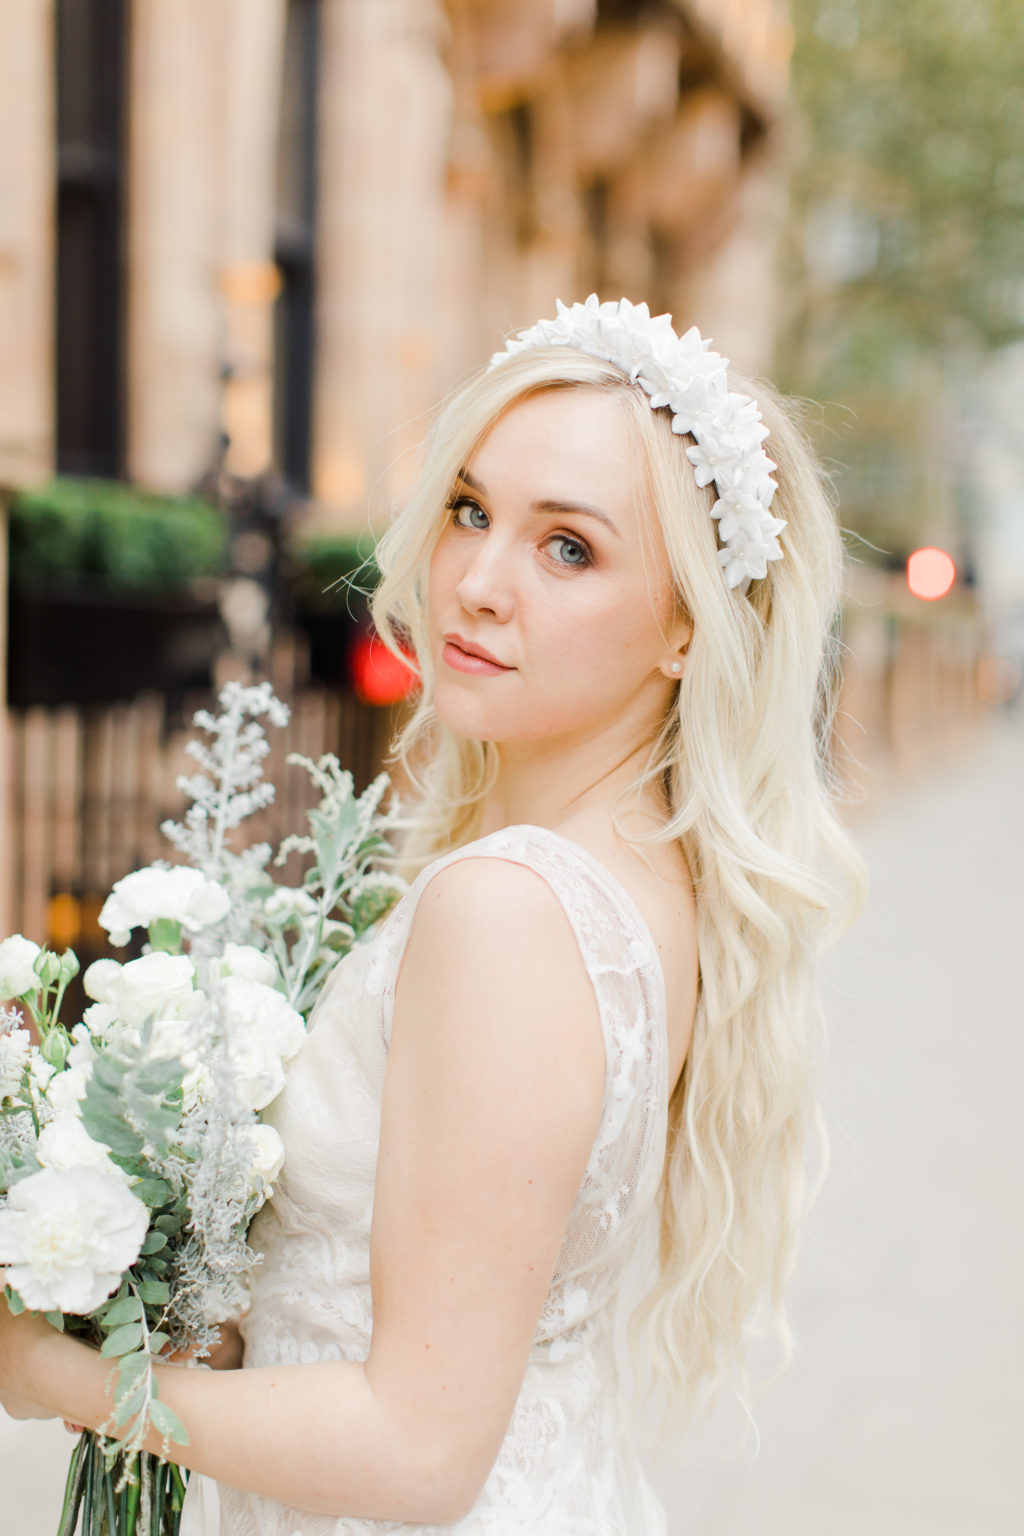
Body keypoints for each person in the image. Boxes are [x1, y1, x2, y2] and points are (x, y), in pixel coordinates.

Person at [0, 296, 863, 1533]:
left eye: (568, 547)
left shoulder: (508, 912)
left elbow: (416, 1450)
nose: (476, 582)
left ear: (685, 626)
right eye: (470, 511)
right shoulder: (639, 877)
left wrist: (57, 1375)